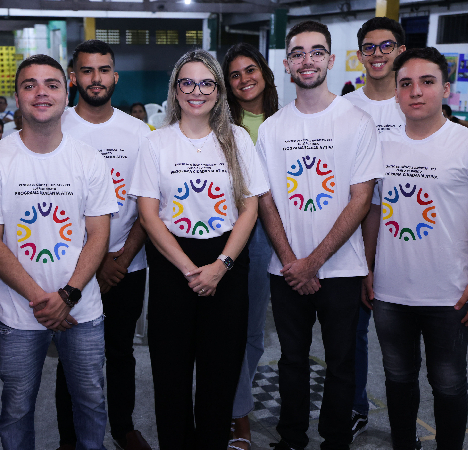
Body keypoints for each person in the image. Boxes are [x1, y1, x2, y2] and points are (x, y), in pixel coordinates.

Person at [0, 54, 116, 450]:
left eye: (51, 84)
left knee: (91, 398)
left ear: (67, 92)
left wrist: (67, 296)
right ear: (16, 96)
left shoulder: (88, 160)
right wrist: (43, 301)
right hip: (19, 314)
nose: (40, 93)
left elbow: (98, 235)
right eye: (29, 84)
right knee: (16, 406)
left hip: (81, 309)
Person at [366, 47, 468, 450]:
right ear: (396, 92)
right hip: (390, 293)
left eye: (427, 82)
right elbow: (374, 210)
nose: (415, 91)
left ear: (445, 88)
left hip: (450, 293)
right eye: (406, 83)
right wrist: (369, 267)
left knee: (448, 383)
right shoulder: (382, 145)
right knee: (398, 379)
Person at [130, 49, 269, 450]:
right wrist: (191, 269)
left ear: (218, 90)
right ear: (175, 90)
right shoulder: (156, 144)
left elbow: (250, 207)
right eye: (187, 82)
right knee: (170, 376)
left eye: (206, 82)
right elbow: (148, 214)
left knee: (219, 375)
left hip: (226, 264)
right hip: (174, 266)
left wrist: (220, 265)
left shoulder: (237, 139)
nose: (197, 91)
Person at [255, 20, 382, 450]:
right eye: (297, 53)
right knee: (291, 360)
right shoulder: (273, 128)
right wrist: (295, 262)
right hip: (286, 269)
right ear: (288, 65)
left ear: (330, 60)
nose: (306, 59)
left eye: (316, 51)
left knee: (341, 361)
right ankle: (291, 437)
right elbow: (267, 200)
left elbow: (360, 199)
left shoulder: (357, 121)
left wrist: (315, 262)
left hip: (342, 269)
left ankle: (335, 440)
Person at [55, 39, 152, 450]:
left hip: (127, 263)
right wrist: (92, 266)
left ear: (115, 75)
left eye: (104, 70)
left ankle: (122, 426)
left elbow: (152, 203)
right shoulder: (56, 127)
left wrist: (122, 257)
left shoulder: (139, 133)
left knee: (120, 351)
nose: (96, 79)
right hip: (71, 269)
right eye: (87, 71)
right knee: (71, 359)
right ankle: (69, 438)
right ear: (74, 77)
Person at [343, 16, 407, 444]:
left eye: (386, 45)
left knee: (405, 335)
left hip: (409, 231)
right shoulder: (348, 107)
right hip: (359, 231)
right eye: (369, 47)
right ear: (359, 54)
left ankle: (406, 422)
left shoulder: (415, 99)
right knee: (355, 331)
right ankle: (355, 405)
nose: (378, 53)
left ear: (401, 49)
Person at [221, 41, 279, 450]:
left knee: (258, 334)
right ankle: (237, 413)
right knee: (239, 330)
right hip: (244, 233)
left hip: (288, 234)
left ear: (264, 73)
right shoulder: (220, 124)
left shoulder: (286, 120)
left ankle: (232, 400)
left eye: (250, 70)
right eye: (235, 74)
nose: (243, 79)